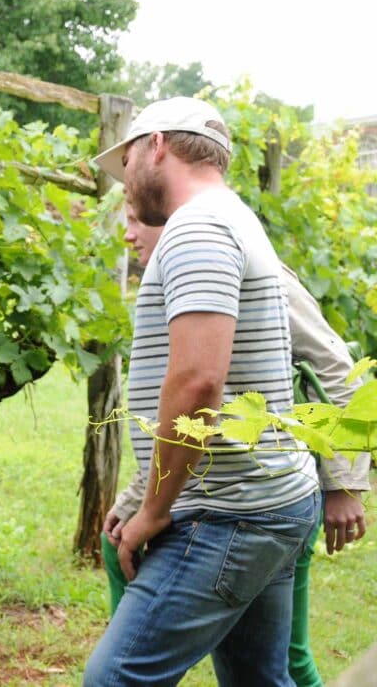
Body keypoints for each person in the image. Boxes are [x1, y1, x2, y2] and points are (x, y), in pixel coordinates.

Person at [83, 97, 321, 686]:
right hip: (269, 502)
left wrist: (152, 511)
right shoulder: (234, 216)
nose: (127, 181)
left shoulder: (198, 227)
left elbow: (197, 383)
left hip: (228, 514)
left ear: (156, 145)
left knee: (113, 679)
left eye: (128, 160)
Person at [101, 204, 370, 686]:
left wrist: (344, 483)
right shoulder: (177, 284)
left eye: (138, 219)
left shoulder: (236, 264)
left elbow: (331, 366)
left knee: (287, 661)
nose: (129, 235)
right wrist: (137, 498)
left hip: (264, 496)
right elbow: (184, 417)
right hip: (214, 492)